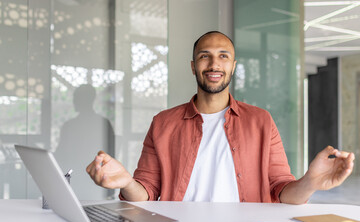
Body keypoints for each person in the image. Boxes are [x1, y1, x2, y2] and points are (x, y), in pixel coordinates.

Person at [86, 31, 355, 204]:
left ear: (233, 66)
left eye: (223, 56)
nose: (214, 64)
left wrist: (311, 182)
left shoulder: (261, 121)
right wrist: (126, 182)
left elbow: (281, 191)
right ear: (193, 66)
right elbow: (145, 192)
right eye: (205, 56)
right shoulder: (162, 123)